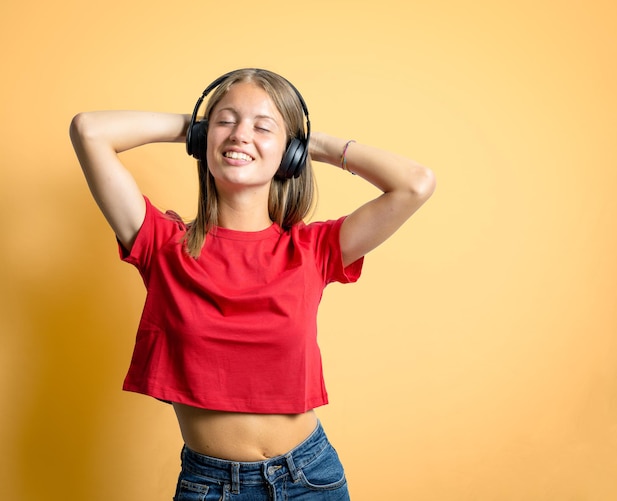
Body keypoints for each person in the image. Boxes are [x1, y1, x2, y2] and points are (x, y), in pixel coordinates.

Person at [69, 68, 435, 500]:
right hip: (209, 485)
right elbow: (89, 130)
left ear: (290, 153)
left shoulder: (313, 249)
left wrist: (308, 144)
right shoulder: (160, 243)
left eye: (263, 127)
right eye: (227, 120)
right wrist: (199, 129)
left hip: (310, 477)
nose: (241, 135)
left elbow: (415, 184)